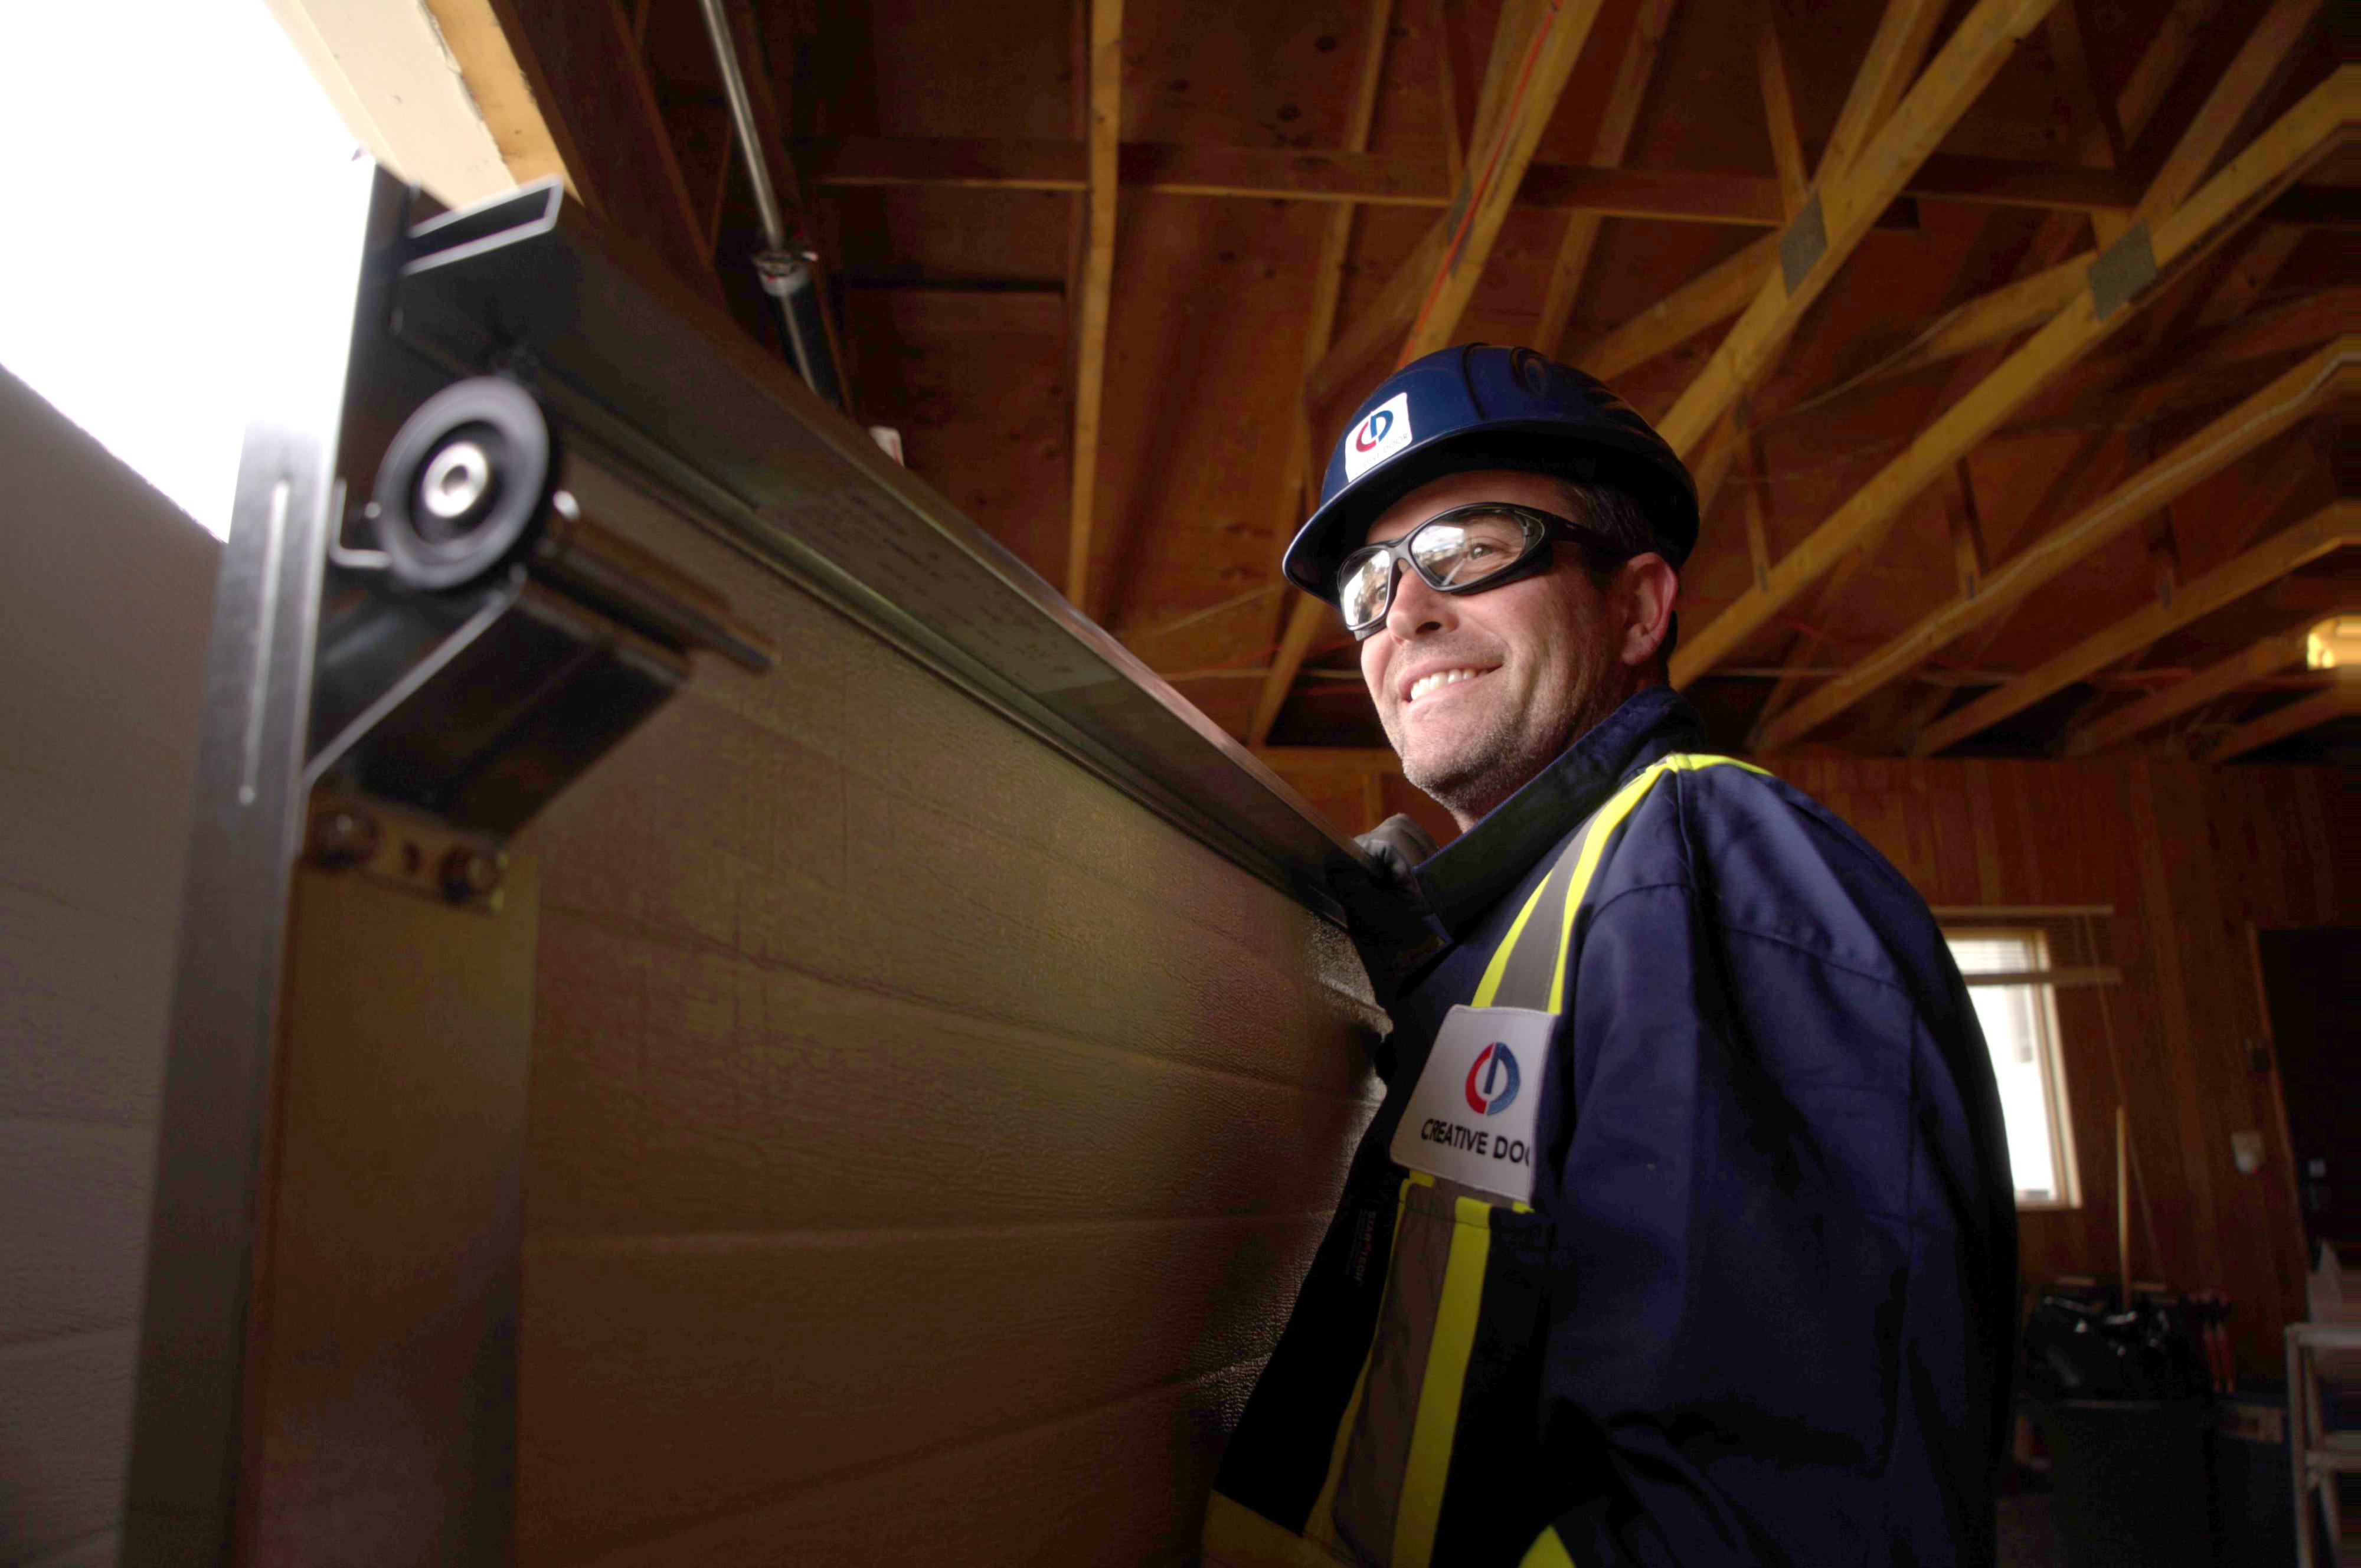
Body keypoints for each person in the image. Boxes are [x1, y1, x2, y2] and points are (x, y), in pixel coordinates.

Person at [1202, 346, 2017, 1567]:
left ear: (1637, 608)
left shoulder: (1708, 870)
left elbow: (1773, 1519)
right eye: (1369, 583)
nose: (1402, 613)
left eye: (1470, 548)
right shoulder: (1544, 916)